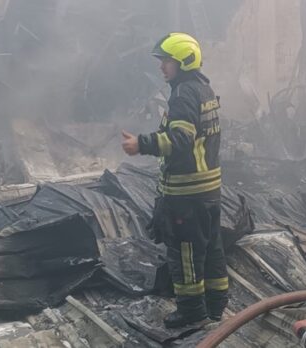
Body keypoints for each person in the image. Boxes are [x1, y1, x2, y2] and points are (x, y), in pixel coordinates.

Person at [121, 32, 227, 327]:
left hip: (186, 194)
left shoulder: (183, 94)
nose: (162, 67)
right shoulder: (204, 90)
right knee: (211, 249)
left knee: (186, 253)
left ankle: (193, 312)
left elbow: (181, 138)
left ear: (182, 61)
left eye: (166, 61)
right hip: (209, 190)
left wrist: (141, 144)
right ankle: (217, 307)